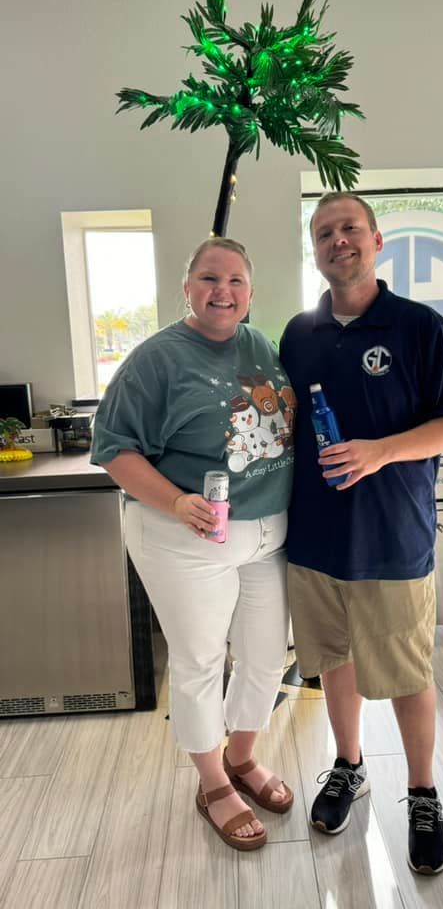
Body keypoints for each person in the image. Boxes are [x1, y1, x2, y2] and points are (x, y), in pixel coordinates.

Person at [280, 192, 443, 874]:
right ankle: (349, 765)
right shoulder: (298, 334)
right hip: (313, 538)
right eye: (324, 232)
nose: (338, 241)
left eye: (350, 229)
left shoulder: (419, 328)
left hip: (394, 539)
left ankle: (422, 792)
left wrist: (380, 451)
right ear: (316, 249)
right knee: (334, 660)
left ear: (376, 240)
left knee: (405, 672)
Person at [91, 237, 296, 851]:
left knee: (266, 656)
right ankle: (211, 783)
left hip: (267, 529)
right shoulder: (156, 360)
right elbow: (113, 448)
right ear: (187, 287)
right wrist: (177, 502)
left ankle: (241, 757)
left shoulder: (259, 344)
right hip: (186, 535)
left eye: (235, 281)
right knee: (201, 660)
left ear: (250, 293)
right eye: (209, 278)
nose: (222, 292)